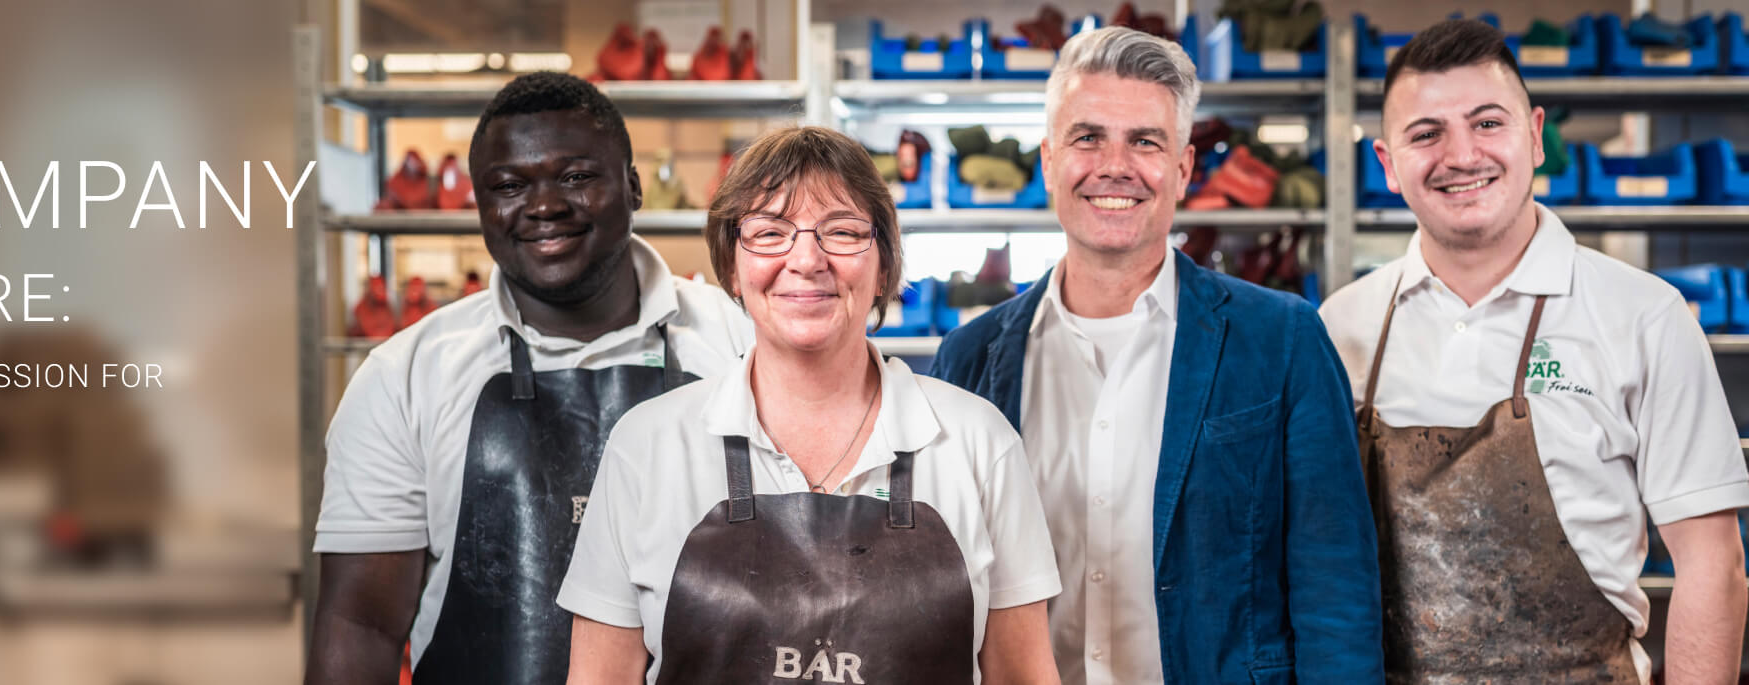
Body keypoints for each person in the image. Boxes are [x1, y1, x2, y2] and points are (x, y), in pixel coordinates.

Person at [930, 27, 1384, 683]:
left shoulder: (1282, 338)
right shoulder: (970, 359)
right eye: (1087, 138)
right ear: (1049, 161)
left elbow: (1334, 583)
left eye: (1144, 141)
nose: (1115, 165)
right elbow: (947, 587)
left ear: (1181, 170)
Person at [1319, 19, 1749, 683]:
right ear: (1387, 164)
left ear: (1535, 134)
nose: (1461, 154)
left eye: (1488, 122)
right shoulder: (1340, 328)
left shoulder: (1643, 317)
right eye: (1426, 133)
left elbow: (1712, 565)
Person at [560, 126, 1062, 685]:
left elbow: (1024, 676)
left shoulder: (978, 442)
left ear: (884, 270)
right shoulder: (648, 445)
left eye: (842, 232)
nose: (806, 259)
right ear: (732, 267)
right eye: (770, 232)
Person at [306, 72, 753, 685]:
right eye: (510, 185)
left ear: (633, 186)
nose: (544, 206)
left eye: (575, 177)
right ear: (481, 205)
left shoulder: (740, 347)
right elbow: (360, 626)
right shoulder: (405, 378)